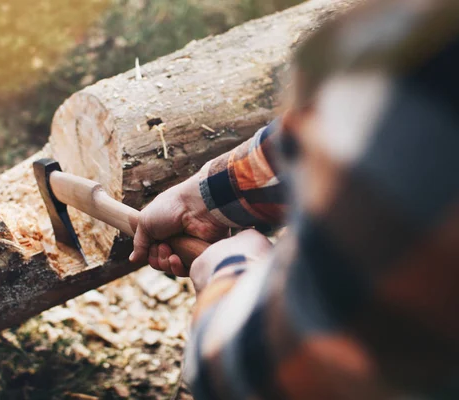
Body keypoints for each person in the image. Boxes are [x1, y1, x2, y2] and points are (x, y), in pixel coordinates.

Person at [129, 0, 459, 398]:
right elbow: (356, 127)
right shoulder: (419, 57)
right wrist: (200, 198)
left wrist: (231, 269)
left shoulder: (424, 56)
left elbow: (257, 376)